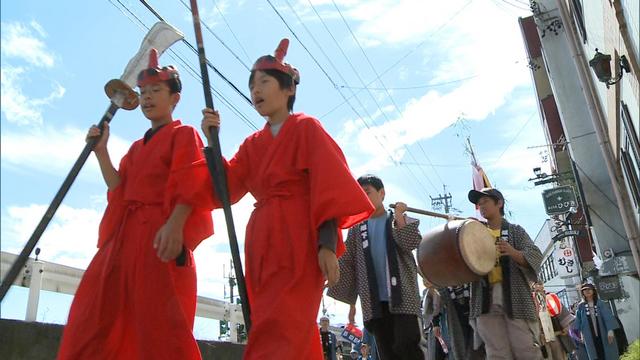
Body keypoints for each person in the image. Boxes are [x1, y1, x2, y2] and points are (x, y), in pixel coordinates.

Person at [200, 39, 374, 359]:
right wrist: (212, 145)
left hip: (299, 235)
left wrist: (326, 244)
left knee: (289, 319)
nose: (256, 90)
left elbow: (328, 186)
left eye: (264, 82)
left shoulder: (307, 128)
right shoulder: (252, 144)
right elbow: (227, 190)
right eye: (252, 85)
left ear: (288, 89)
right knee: (265, 320)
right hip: (262, 243)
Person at [57, 49, 214, 359]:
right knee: (96, 313)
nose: (147, 97)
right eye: (143, 92)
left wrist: (175, 225)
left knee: (159, 324)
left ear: (175, 98)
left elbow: (192, 181)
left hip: (159, 236)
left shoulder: (184, 134)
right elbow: (120, 189)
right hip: (124, 238)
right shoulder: (135, 148)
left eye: (156, 91)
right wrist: (101, 152)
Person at [328, 174, 425, 360]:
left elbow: (411, 243)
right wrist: (334, 277)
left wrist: (400, 218)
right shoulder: (357, 228)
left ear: (382, 193)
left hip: (403, 296)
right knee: (386, 351)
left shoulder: (396, 220)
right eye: (360, 194)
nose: (364, 197)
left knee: (408, 344)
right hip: (373, 301)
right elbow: (348, 263)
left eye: (368, 192)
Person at [467, 187, 544, 360]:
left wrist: (513, 252)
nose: (481, 206)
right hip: (484, 299)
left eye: (485, 201)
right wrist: (464, 232)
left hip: (515, 297)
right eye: (479, 204)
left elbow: (535, 256)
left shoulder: (516, 231)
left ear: (499, 203)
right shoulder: (475, 232)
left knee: (525, 349)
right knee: (496, 353)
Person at [572, 283, 619, 360]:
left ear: (593, 291)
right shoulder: (581, 306)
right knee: (594, 353)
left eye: (589, 289)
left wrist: (610, 331)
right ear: (582, 292)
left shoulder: (600, 303)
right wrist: (582, 334)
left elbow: (608, 317)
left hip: (603, 332)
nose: (587, 291)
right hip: (589, 335)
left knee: (608, 353)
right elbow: (579, 321)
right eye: (585, 290)